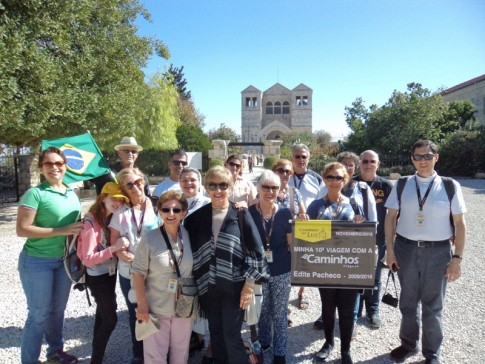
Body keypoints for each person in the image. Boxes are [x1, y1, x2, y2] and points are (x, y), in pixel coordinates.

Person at [384, 140, 466, 364]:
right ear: (412, 159)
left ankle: (432, 353)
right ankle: (408, 344)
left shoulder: (450, 185)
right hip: (406, 249)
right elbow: (391, 217)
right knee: (408, 303)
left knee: (433, 305)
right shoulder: (402, 184)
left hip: (438, 252)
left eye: (427, 156)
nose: (423, 161)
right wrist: (389, 251)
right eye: (418, 157)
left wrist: (457, 259)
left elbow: (459, 224)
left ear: (436, 157)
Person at [184, 166, 269, 364]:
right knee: (216, 333)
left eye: (223, 185)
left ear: (230, 187)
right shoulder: (195, 219)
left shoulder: (240, 214)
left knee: (231, 335)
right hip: (207, 287)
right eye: (213, 184)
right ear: (206, 187)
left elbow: (256, 251)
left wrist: (249, 286)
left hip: (235, 287)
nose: (218, 189)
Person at [16, 146, 83, 364]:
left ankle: (55, 352)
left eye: (59, 163)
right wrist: (62, 231)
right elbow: (22, 229)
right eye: (49, 164)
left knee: (58, 311)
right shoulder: (35, 194)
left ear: (65, 166)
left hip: (63, 261)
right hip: (37, 262)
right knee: (38, 315)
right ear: (41, 168)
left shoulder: (71, 193)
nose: (54, 167)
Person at [308, 162, 365, 364]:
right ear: (324, 179)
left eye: (338, 178)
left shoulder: (355, 204)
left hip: (348, 265)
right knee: (328, 307)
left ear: (345, 180)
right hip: (324, 265)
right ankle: (329, 343)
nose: (334, 181)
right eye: (330, 177)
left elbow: (364, 237)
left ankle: (346, 350)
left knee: (347, 310)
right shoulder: (315, 206)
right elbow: (306, 238)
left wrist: (360, 226)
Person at [132, 191, 193, 364]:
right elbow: (137, 273)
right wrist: (142, 305)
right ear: (159, 211)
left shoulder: (189, 236)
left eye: (176, 210)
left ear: (184, 212)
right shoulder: (150, 239)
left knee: (181, 353)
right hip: (156, 306)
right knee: (154, 356)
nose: (170, 214)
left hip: (184, 307)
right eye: (166, 210)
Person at [109, 168, 159, 364]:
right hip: (129, 271)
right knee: (136, 311)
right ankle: (139, 354)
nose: (136, 186)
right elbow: (114, 243)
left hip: (155, 270)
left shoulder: (157, 205)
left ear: (144, 180)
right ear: (123, 189)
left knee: (157, 309)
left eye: (138, 181)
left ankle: (157, 350)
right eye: (129, 185)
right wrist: (123, 253)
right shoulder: (120, 212)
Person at [77, 183, 130, 364]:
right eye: (113, 198)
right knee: (110, 318)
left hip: (108, 273)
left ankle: (96, 354)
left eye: (120, 200)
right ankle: (96, 358)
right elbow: (88, 258)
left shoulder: (110, 218)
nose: (117, 203)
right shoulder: (90, 222)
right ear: (102, 198)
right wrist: (115, 248)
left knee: (102, 313)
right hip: (96, 275)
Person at [248, 170, 293, 364]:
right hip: (258, 271)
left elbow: (291, 243)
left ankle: (280, 351)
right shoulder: (248, 213)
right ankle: (264, 342)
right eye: (265, 187)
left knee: (280, 312)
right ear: (258, 188)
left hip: (282, 270)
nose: (270, 191)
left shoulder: (284, 213)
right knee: (263, 311)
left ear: (279, 189)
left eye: (274, 188)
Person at [354, 150, 393, 328]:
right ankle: (355, 311)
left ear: (378, 164)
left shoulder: (386, 185)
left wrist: (391, 240)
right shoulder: (351, 183)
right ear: (359, 163)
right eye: (365, 161)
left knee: (375, 277)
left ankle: (373, 310)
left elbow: (393, 215)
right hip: (354, 239)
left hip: (378, 239)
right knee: (354, 276)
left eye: (372, 161)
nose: (368, 164)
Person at [287, 144, 324, 310]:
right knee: (287, 261)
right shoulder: (284, 176)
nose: (301, 160)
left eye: (304, 157)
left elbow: (323, 200)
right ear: (292, 158)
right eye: (297, 157)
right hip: (287, 226)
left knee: (306, 260)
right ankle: (284, 296)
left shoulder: (317, 178)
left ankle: (301, 292)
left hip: (310, 226)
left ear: (308, 158)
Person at [272, 159, 308, 311]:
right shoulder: (268, 189)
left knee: (290, 273)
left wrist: (303, 217)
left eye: (288, 171)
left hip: (290, 240)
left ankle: (286, 305)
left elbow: (303, 213)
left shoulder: (295, 193)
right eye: (281, 170)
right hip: (271, 239)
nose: (285, 174)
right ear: (274, 171)